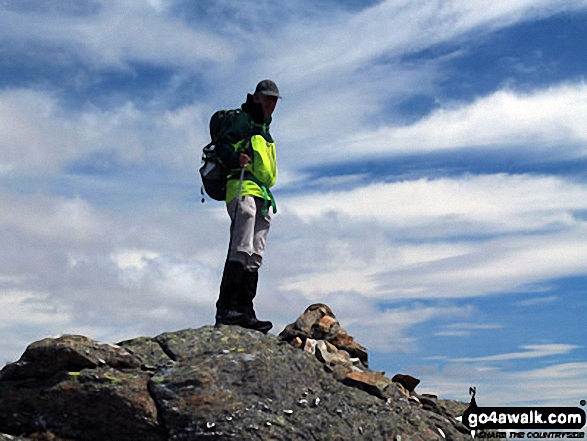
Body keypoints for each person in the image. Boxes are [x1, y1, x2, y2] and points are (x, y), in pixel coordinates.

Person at [214, 80, 280, 333]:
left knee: (255, 252)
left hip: (261, 192)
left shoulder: (264, 128)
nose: (271, 104)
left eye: (274, 100)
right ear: (256, 98)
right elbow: (223, 147)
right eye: (267, 99)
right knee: (242, 246)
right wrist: (234, 158)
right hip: (241, 186)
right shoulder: (243, 120)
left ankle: (245, 310)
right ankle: (227, 308)